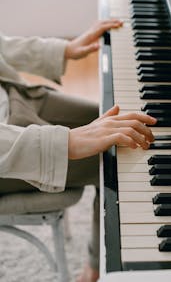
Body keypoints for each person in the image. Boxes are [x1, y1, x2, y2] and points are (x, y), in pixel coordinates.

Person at [0, 19, 156, 282]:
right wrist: (65, 142)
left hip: (14, 97)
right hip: (7, 154)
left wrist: (61, 50)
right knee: (115, 155)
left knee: (122, 124)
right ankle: (96, 269)